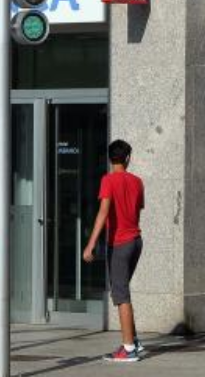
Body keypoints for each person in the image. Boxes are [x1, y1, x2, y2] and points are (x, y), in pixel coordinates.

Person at [84, 139, 146, 362]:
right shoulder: (138, 182)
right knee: (122, 291)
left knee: (121, 295)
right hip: (136, 241)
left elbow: (103, 213)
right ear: (127, 158)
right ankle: (135, 342)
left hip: (119, 244)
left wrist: (91, 244)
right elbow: (137, 210)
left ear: (110, 158)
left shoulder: (108, 180)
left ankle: (128, 349)